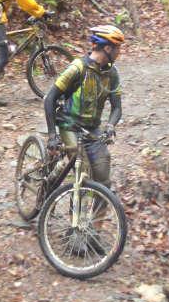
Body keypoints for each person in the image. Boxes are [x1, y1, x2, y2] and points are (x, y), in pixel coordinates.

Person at [43, 25, 125, 188]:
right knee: (83, 171)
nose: (119, 52)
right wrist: (52, 135)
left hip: (92, 129)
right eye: (117, 48)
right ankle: (74, 205)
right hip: (69, 125)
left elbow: (117, 107)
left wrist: (110, 126)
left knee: (103, 178)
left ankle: (98, 213)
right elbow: (50, 98)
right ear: (107, 48)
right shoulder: (77, 68)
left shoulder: (112, 73)